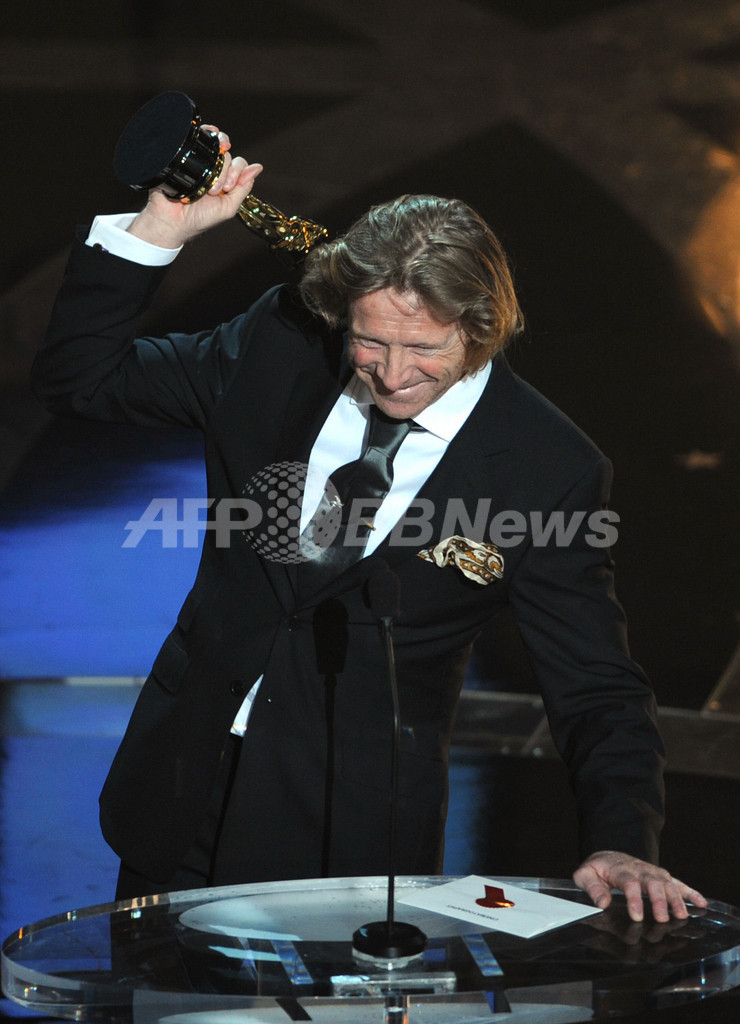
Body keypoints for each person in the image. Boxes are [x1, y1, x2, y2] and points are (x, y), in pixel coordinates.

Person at [33, 130, 706, 925]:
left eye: (424, 349)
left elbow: (595, 684)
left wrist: (624, 839)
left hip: (349, 835)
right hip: (180, 786)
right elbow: (82, 381)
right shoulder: (282, 343)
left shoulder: (546, 466)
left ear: (484, 325)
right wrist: (157, 233)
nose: (391, 374)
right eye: (369, 341)